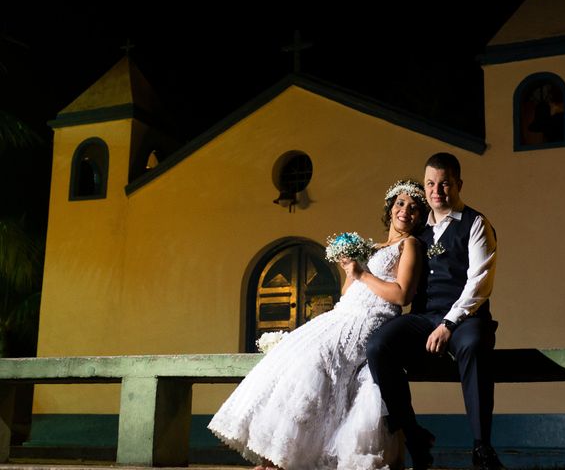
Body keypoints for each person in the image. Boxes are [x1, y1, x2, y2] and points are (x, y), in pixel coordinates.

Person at [208, 180, 429, 470]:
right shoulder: (371, 246)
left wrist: (361, 274)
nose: (406, 211)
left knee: (315, 363)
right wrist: (349, 270)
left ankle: (285, 459)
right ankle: (272, 456)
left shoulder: (410, 244)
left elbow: (402, 294)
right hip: (343, 313)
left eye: (414, 208)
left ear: (420, 217)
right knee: (289, 358)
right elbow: (347, 293)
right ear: (390, 209)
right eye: (401, 203)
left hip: (372, 318)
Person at [367, 153, 505, 470]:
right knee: (378, 345)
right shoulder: (416, 230)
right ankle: (413, 434)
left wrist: (448, 324)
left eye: (444, 184)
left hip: (466, 317)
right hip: (423, 317)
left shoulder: (476, 223)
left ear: (458, 184)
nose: (436, 191)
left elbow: (479, 284)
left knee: (473, 346)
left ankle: (482, 447)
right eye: (431, 183)